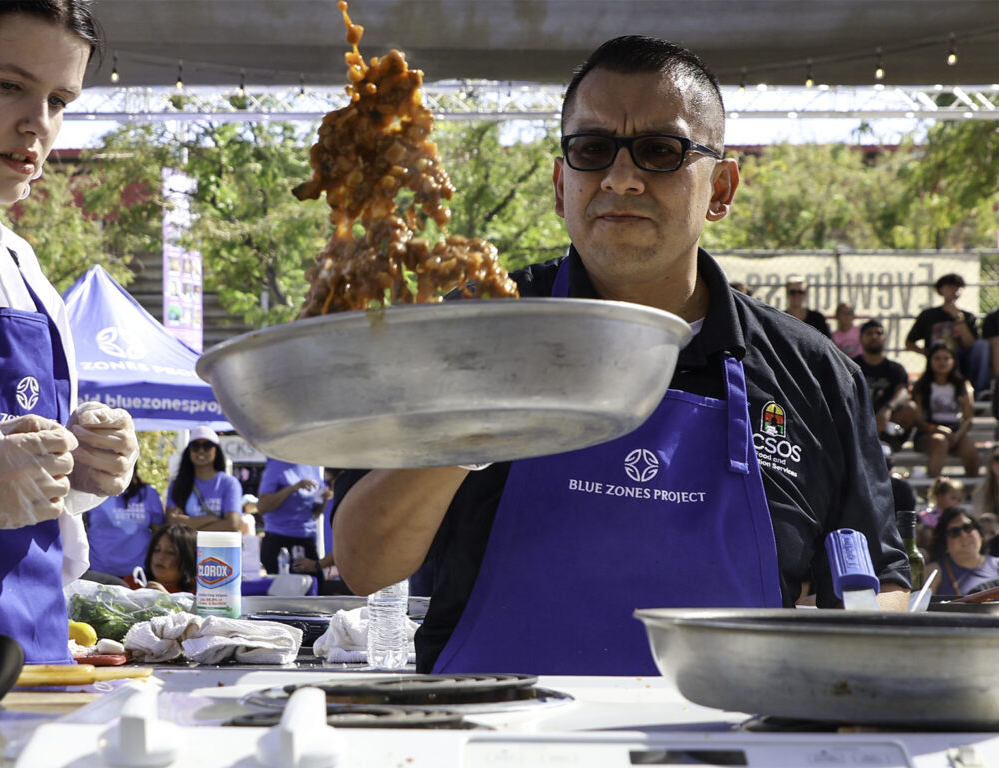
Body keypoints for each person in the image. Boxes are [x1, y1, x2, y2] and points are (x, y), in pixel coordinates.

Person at [331, 35, 910, 676]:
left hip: (727, 739)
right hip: (492, 735)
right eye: (592, 149)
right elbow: (363, 563)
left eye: (661, 152)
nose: (620, 177)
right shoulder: (475, 330)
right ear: (560, 183)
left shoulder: (817, 377)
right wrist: (472, 421)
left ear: (721, 186)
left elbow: (874, 584)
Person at [0, 0, 139, 665]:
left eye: (59, 99)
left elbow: (26, 500)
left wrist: (84, 474)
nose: (37, 124)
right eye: (8, 85)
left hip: (32, 659)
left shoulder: (22, 266)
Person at [905, 273, 991, 399]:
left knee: (982, 345)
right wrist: (927, 352)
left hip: (963, 358)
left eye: (958, 287)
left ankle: (980, 392)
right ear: (941, 289)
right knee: (946, 353)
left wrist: (959, 321)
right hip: (939, 357)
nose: (955, 290)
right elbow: (909, 342)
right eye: (951, 286)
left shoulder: (967, 316)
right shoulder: (929, 315)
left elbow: (973, 345)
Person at [910, 342, 979, 479]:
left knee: (969, 448)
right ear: (930, 362)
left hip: (955, 433)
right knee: (940, 442)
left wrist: (957, 435)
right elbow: (918, 420)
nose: (942, 362)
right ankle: (933, 490)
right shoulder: (922, 386)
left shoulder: (962, 385)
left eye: (946, 358)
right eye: (937, 358)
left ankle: (970, 493)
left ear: (953, 361)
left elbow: (969, 418)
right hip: (928, 433)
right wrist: (937, 429)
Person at [256, 458, 328, 588]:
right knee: (283, 596)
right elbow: (262, 507)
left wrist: (324, 500)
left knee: (316, 591)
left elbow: (315, 513)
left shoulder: (314, 465)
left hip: (307, 541)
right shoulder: (277, 465)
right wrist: (292, 488)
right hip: (278, 542)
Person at [85, 462, 164, 579]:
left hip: (139, 575)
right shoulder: (90, 491)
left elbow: (160, 535)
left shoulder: (148, 493)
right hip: (99, 572)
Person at [165, 426, 243, 533]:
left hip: (219, 548)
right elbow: (172, 522)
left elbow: (233, 524)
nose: (201, 451)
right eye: (195, 446)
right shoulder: (177, 484)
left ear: (216, 450)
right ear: (189, 451)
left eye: (207, 446)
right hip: (188, 548)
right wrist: (212, 519)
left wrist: (189, 527)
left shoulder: (229, 484)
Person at [853, 319, 916, 450]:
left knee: (910, 408)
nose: (874, 336)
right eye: (869, 333)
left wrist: (888, 408)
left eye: (879, 333)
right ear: (861, 339)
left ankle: (888, 446)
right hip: (857, 419)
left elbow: (903, 392)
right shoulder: (851, 366)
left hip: (886, 422)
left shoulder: (895, 369)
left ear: (885, 338)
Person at [925, 507, 999, 595]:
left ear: (979, 533)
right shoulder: (934, 572)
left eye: (968, 528)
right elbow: (921, 606)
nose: (964, 535)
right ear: (944, 543)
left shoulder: (997, 564)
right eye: (954, 532)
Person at [122, 523, 197, 594]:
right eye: (156, 550)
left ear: (188, 558)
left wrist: (167, 599)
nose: (160, 557)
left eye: (170, 552)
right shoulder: (131, 583)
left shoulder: (200, 590)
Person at [918, 476, 966, 551]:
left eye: (959, 500)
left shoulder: (959, 517)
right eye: (953, 498)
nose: (956, 503)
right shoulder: (928, 516)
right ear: (939, 496)